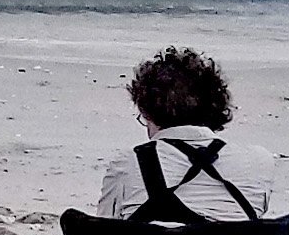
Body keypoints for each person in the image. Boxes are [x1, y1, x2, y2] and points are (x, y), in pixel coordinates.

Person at [92, 46, 272, 224]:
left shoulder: (127, 162)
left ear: (148, 113)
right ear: (216, 106)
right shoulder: (258, 161)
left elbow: (103, 233)